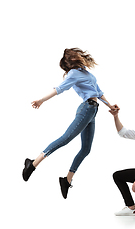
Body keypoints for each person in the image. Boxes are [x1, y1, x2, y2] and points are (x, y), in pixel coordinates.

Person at [22, 48, 119, 199]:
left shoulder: (87, 73)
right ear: (72, 59)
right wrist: (41, 100)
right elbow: (59, 89)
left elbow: (99, 92)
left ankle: (67, 180)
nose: (80, 55)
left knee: (86, 149)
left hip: (93, 111)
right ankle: (33, 164)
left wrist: (110, 106)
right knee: (66, 138)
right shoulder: (73, 74)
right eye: (76, 54)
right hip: (86, 109)